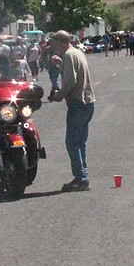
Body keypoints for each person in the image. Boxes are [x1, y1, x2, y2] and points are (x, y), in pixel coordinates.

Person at [50, 30, 95, 192]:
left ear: (61, 42)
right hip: (88, 102)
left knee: (72, 143)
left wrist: (59, 95)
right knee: (80, 143)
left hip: (77, 103)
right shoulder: (76, 52)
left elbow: (70, 81)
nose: (53, 46)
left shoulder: (69, 55)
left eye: (54, 43)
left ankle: (80, 178)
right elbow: (72, 72)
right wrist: (60, 65)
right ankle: (83, 176)